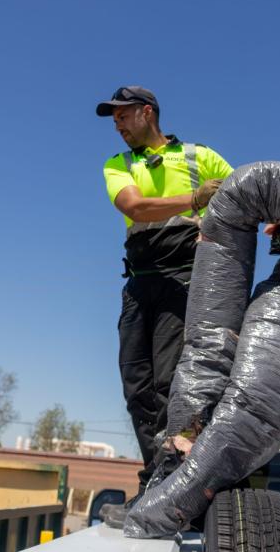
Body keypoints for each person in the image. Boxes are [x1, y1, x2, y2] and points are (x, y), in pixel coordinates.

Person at [97, 86, 233, 497]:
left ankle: (169, 484)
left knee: (169, 385)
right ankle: (157, 476)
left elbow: (247, 193)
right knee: (137, 387)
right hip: (140, 283)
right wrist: (194, 198)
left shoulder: (200, 156)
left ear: (147, 112)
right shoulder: (117, 164)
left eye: (123, 115)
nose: (117, 125)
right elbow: (135, 208)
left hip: (188, 282)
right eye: (114, 119)